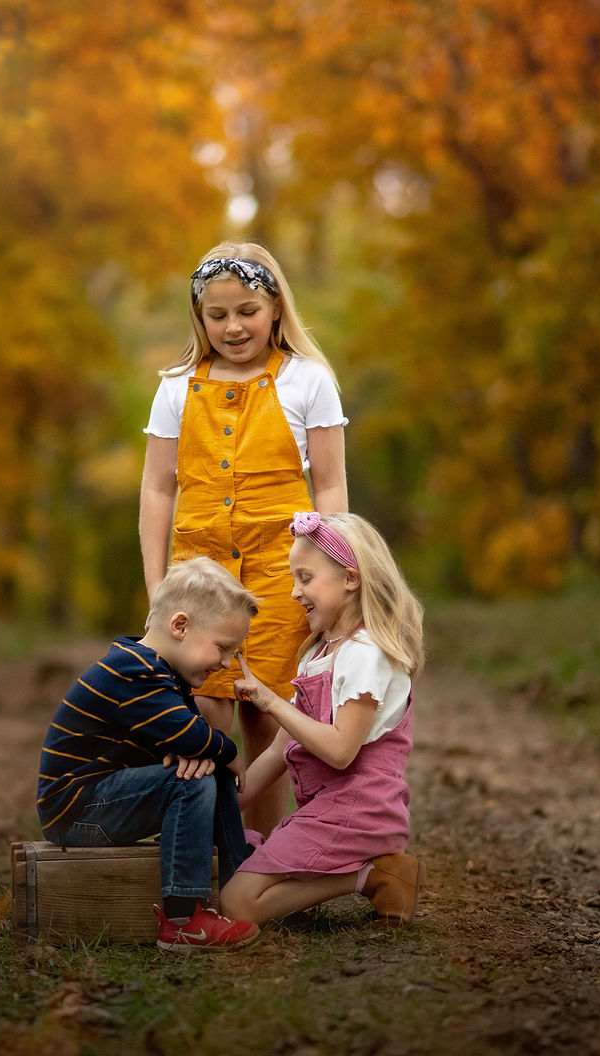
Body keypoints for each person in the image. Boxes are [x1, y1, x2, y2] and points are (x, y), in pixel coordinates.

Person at [139, 241, 348, 836]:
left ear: (276, 308)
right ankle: (205, 845)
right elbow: (157, 489)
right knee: (203, 706)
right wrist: (159, 586)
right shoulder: (178, 386)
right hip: (198, 574)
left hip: (284, 569)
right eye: (218, 314)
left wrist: (333, 576)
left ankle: (256, 851)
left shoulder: (308, 380)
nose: (234, 327)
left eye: (248, 311)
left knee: (271, 710)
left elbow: (330, 487)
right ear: (200, 318)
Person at [36, 556, 262, 952]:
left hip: (106, 798)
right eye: (224, 648)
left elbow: (190, 741)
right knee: (192, 783)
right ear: (180, 626)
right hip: (76, 809)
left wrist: (205, 751)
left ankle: (238, 880)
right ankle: (183, 919)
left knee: (206, 772)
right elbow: (191, 736)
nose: (227, 664)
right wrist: (227, 751)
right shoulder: (133, 669)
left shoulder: (162, 673)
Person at [219, 511, 427, 929]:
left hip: (360, 810)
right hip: (329, 810)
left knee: (237, 905)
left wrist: (272, 702)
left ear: (351, 579)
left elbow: (339, 751)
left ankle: (374, 874)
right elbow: (280, 750)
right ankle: (372, 872)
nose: (295, 592)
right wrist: (220, 805)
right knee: (228, 877)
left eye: (306, 578)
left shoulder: (366, 653)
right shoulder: (320, 654)